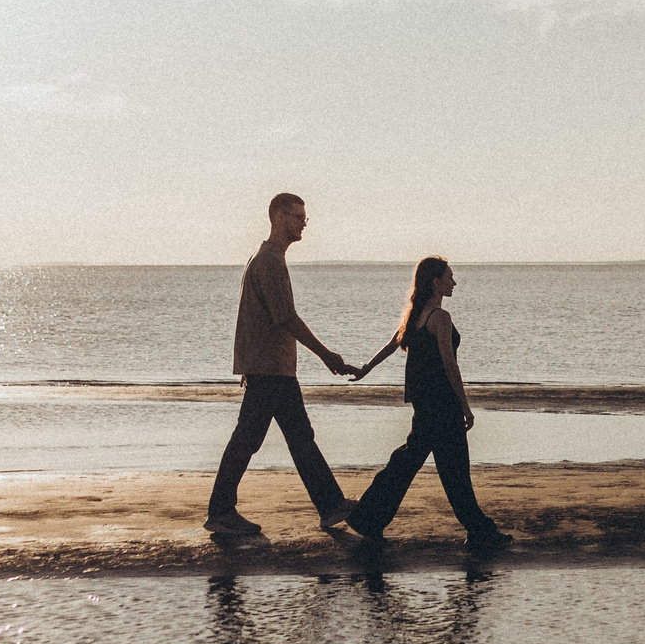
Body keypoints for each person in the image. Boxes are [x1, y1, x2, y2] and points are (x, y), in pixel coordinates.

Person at [204, 193, 358, 538]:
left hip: (273, 367)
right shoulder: (270, 261)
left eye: (305, 216)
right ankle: (220, 512)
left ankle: (330, 505)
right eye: (296, 216)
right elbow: (285, 317)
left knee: (298, 437)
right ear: (277, 216)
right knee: (249, 440)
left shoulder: (267, 258)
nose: (303, 222)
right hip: (269, 369)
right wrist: (326, 354)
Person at [343, 257, 510, 548]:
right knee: (453, 469)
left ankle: (368, 517)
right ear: (436, 282)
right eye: (450, 277)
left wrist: (365, 369)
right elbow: (450, 364)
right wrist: (466, 406)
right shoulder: (439, 318)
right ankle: (478, 531)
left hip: (424, 403)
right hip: (443, 405)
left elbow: (392, 345)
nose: (454, 283)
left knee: (410, 461)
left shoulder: (417, 314)